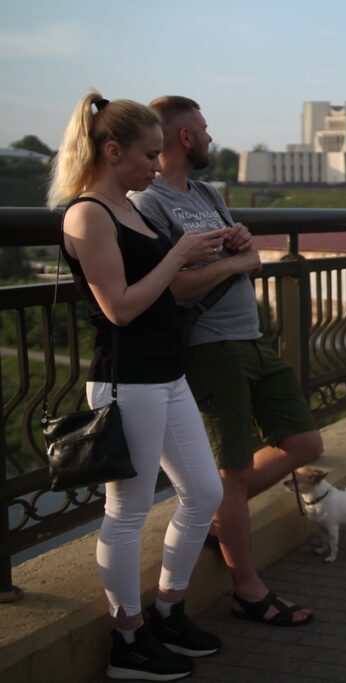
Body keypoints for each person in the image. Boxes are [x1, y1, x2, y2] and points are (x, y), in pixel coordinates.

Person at [47, 91, 228, 680]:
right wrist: (178, 255)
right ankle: (127, 639)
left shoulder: (131, 206)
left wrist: (212, 251)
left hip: (165, 373)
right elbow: (120, 308)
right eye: (148, 155)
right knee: (125, 513)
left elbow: (162, 282)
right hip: (127, 381)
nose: (157, 166)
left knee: (204, 492)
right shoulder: (87, 214)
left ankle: (167, 610)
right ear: (112, 149)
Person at [132, 96, 320, 628]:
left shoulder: (207, 193)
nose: (212, 137)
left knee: (305, 442)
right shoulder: (149, 204)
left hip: (252, 337)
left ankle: (218, 518)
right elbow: (174, 287)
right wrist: (235, 261)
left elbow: (253, 257)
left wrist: (237, 248)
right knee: (230, 473)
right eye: (205, 128)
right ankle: (248, 589)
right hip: (210, 349)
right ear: (185, 138)